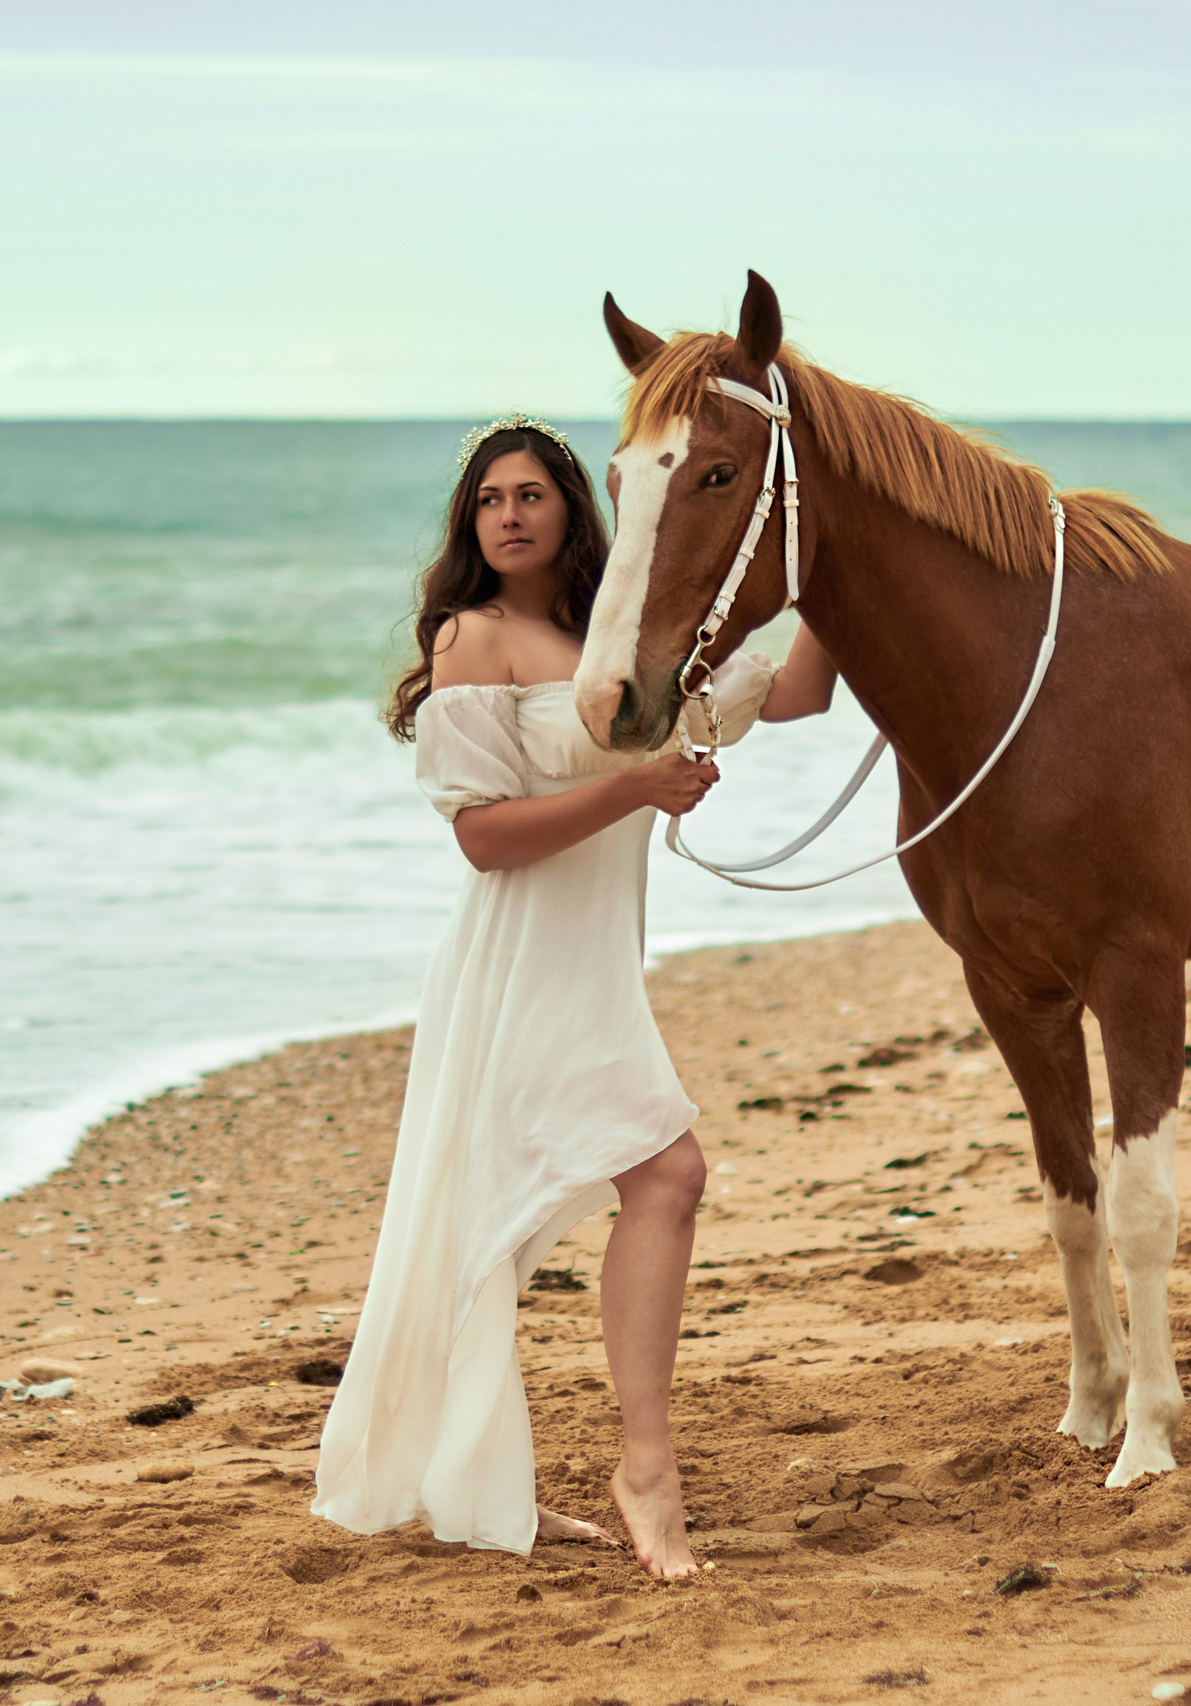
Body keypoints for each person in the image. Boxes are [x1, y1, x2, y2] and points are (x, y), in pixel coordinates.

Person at [310, 413, 837, 1577]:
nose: (508, 515)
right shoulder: (475, 636)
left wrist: (824, 564)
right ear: (471, 522)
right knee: (664, 1174)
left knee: (496, 1224)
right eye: (489, 498)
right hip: (517, 968)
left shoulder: (623, 645)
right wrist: (637, 788)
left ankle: (477, 1476)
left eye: (529, 495)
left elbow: (797, 690)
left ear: (571, 509)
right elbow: (485, 838)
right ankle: (643, 1469)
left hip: (593, 962)